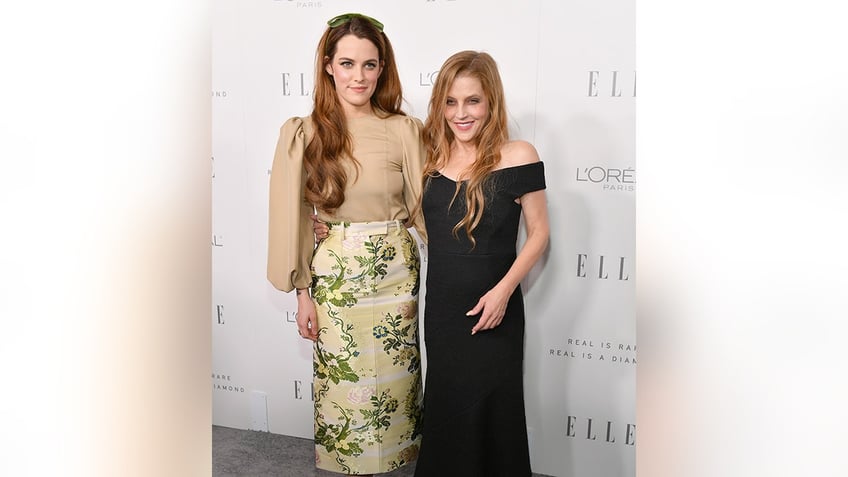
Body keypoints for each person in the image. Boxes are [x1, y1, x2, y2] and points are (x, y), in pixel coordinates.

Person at [267, 13, 426, 476]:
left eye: (370, 65)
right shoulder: (304, 132)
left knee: (396, 386)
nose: (359, 76)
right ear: (328, 66)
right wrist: (303, 293)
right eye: (348, 63)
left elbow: (424, 212)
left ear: (383, 69)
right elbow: (294, 216)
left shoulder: (405, 129)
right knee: (344, 390)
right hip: (336, 280)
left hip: (397, 277)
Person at [412, 51, 549, 476]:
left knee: (494, 407)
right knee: (447, 403)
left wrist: (504, 291)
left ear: (491, 101)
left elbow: (540, 233)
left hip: (497, 306)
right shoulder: (429, 158)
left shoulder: (519, 154)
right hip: (444, 311)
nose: (461, 113)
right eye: (450, 102)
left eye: (472, 101)